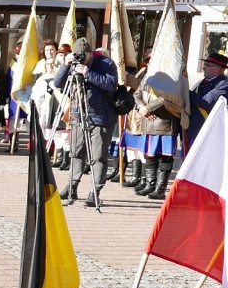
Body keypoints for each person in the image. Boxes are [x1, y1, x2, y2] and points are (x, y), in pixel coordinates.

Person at [53, 37, 118, 208]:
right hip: (78, 115)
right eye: (77, 54)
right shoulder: (72, 62)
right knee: (76, 152)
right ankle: (72, 186)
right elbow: (58, 83)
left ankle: (94, 192)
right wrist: (66, 65)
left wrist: (88, 73)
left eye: (84, 54)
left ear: (91, 53)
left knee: (97, 157)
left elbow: (111, 84)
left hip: (101, 117)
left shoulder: (105, 63)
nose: (81, 57)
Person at [127, 68, 180, 201]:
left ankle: (160, 189)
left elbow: (167, 97)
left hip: (165, 123)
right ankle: (151, 184)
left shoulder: (171, 79)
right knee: (149, 155)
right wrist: (141, 107)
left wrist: (148, 108)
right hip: (148, 122)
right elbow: (137, 94)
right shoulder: (148, 77)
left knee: (164, 157)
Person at [186, 52, 228, 151]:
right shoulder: (201, 82)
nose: (203, 67)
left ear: (218, 68)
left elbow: (205, 102)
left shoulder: (223, 84)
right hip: (193, 130)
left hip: (207, 132)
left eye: (207, 65)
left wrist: (184, 91)